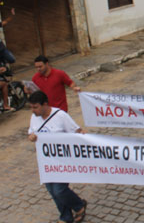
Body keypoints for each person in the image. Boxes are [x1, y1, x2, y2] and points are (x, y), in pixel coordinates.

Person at [28, 90, 87, 223]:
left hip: (63, 161)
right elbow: (31, 132)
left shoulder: (61, 116)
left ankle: (79, 205)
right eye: (31, 107)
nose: (33, 110)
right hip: (46, 162)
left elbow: (76, 131)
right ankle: (65, 216)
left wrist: (83, 135)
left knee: (59, 190)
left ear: (45, 104)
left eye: (35, 107)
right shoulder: (34, 117)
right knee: (52, 191)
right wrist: (31, 137)